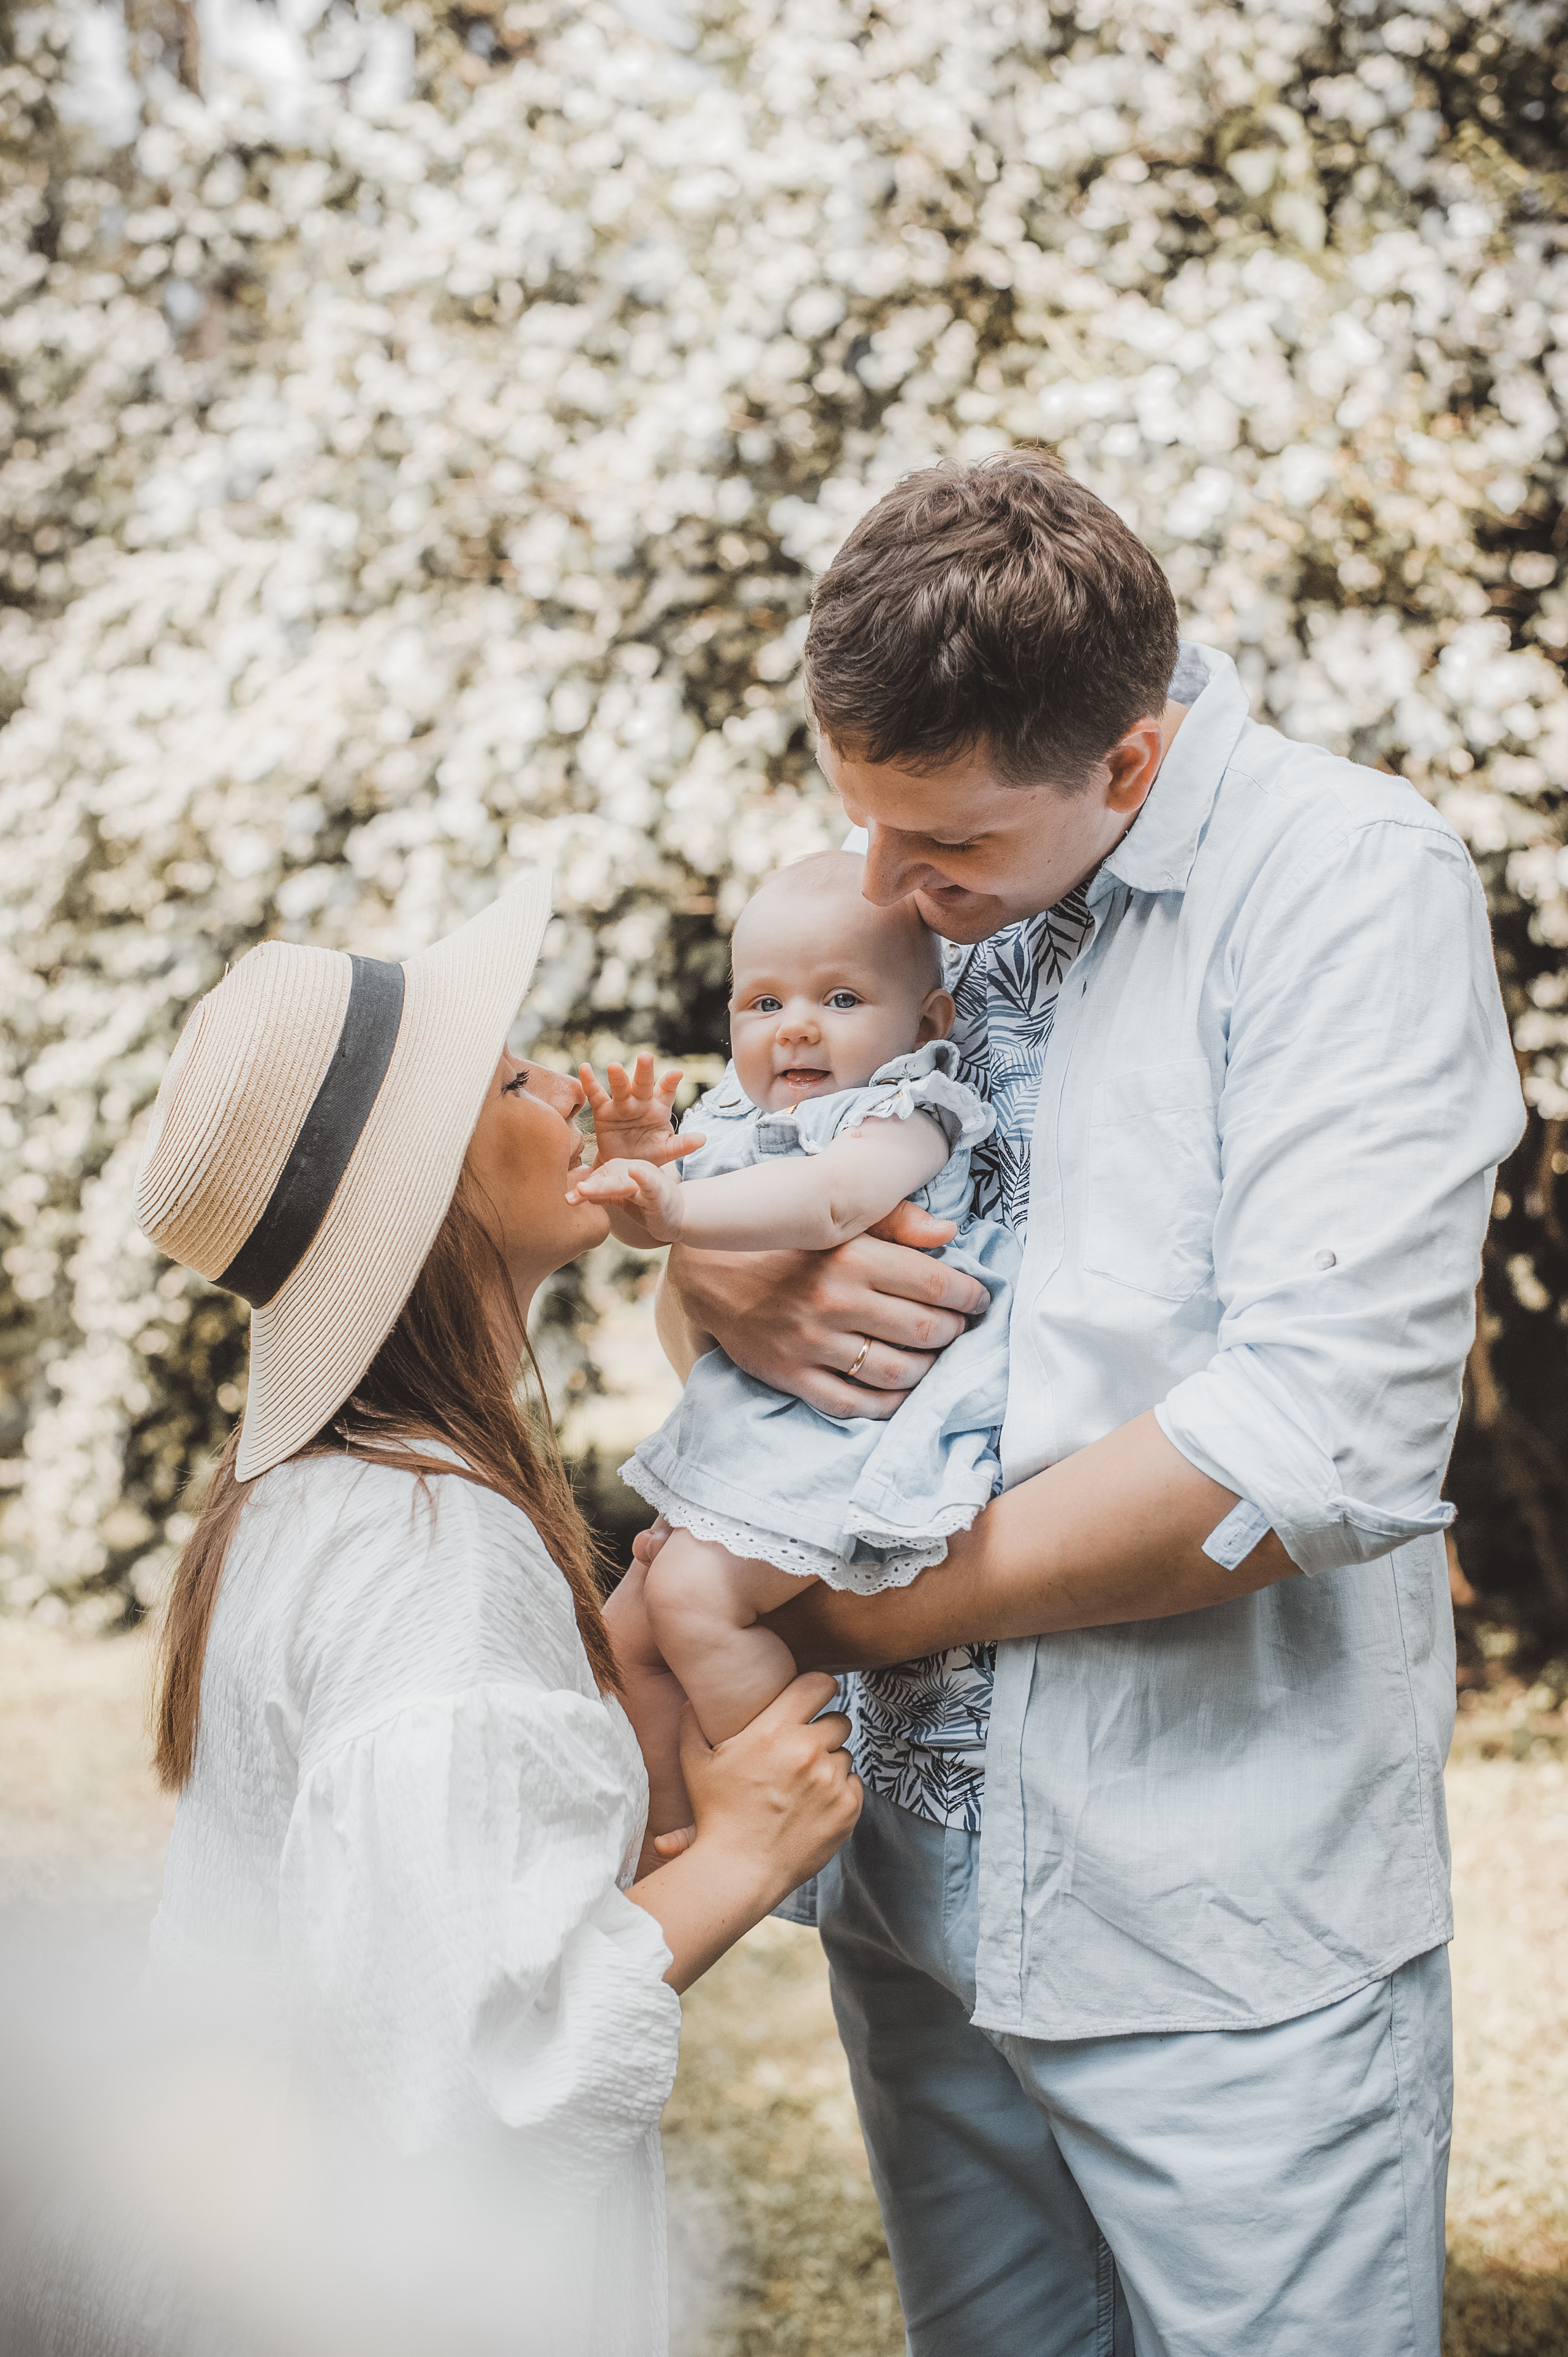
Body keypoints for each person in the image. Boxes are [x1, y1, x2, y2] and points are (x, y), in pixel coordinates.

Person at [654, 452, 1527, 2355]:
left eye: (940, 848)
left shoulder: (1344, 890)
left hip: (1213, 1913)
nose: (888, 892)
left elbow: (1311, 1446)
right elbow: (764, 1270)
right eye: (861, 826)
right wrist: (709, 1280)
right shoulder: (938, 843)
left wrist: (862, 1606)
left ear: (1127, 766)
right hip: (914, 1899)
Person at [111, 874, 859, 2357]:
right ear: (433, 1186)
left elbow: (420, 1892)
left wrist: (620, 1739)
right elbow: (473, 2070)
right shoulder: (427, 1544)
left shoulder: (322, 1497)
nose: (571, 1084)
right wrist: (740, 1854)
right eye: (512, 1076)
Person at [568, 850, 1016, 1847]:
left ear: (928, 1024)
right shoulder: (740, 1115)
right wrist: (644, 1177)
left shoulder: (910, 1108)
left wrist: (681, 1206)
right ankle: (674, 1847)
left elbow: (829, 1203)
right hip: (759, 1429)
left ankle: (781, 1808)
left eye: (842, 997)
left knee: (691, 1598)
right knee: (627, 1629)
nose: (796, 1026)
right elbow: (664, 1239)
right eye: (762, 1003)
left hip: (845, 1438)